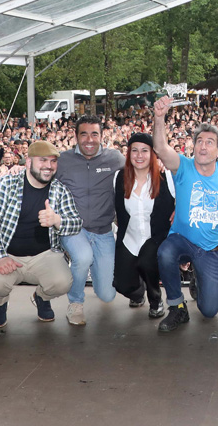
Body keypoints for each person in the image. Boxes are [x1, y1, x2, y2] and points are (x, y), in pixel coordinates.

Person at [152, 96, 218, 332]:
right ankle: (177, 307)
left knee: (210, 311)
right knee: (164, 252)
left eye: (210, 142)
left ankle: (197, 279)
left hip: (211, 247)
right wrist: (159, 117)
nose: (203, 146)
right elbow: (161, 148)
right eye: (199, 141)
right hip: (181, 239)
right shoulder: (183, 165)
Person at [0, 140, 82, 329]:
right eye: (43, 160)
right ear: (28, 162)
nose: (49, 166)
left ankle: (41, 297)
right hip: (7, 254)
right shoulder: (7, 184)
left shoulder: (59, 190)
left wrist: (57, 220)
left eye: (53, 162)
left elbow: (76, 223)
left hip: (43, 256)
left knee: (62, 282)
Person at [56, 116, 124, 326]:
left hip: (103, 231)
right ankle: (75, 303)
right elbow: (41, 178)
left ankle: (98, 272)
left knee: (107, 295)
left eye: (94, 134)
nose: (89, 139)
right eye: (83, 134)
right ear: (76, 136)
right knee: (83, 257)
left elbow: (140, 173)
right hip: (73, 228)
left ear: (102, 136)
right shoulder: (63, 160)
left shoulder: (115, 159)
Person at [113, 134, 175, 319]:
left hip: (156, 236)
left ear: (153, 154)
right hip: (130, 237)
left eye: (145, 151)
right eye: (135, 150)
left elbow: (185, 198)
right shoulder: (119, 177)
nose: (139, 155)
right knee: (122, 285)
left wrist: (177, 211)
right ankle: (138, 292)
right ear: (128, 153)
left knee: (147, 259)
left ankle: (155, 299)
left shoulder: (166, 176)